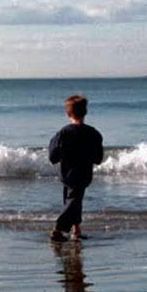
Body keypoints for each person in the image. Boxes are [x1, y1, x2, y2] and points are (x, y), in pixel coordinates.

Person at [47, 94, 104, 242]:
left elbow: (53, 156)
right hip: (84, 172)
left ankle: (76, 230)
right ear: (85, 112)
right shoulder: (94, 133)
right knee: (74, 200)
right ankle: (59, 229)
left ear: (68, 113)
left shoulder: (63, 133)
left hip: (67, 172)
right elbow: (98, 159)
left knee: (72, 200)